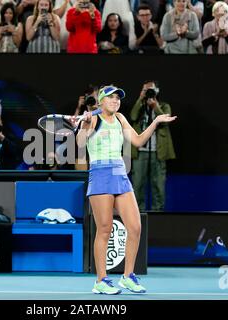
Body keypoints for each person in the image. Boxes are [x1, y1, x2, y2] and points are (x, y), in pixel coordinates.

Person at [75, 85, 176, 294]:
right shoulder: (93, 118)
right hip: (101, 175)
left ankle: (127, 276)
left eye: (117, 98)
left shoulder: (121, 118)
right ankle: (101, 280)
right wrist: (84, 126)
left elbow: (138, 141)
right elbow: (80, 143)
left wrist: (156, 122)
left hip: (120, 175)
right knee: (104, 229)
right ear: (101, 101)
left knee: (135, 227)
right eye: (110, 98)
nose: (115, 101)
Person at [130, 80, 176, 211]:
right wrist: (140, 98)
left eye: (151, 89)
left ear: (157, 91)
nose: (148, 92)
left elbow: (165, 119)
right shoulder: (140, 106)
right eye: (146, 90)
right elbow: (133, 116)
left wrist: (155, 106)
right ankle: (139, 212)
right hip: (140, 151)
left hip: (158, 151)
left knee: (158, 185)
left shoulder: (164, 105)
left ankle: (158, 213)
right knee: (138, 184)